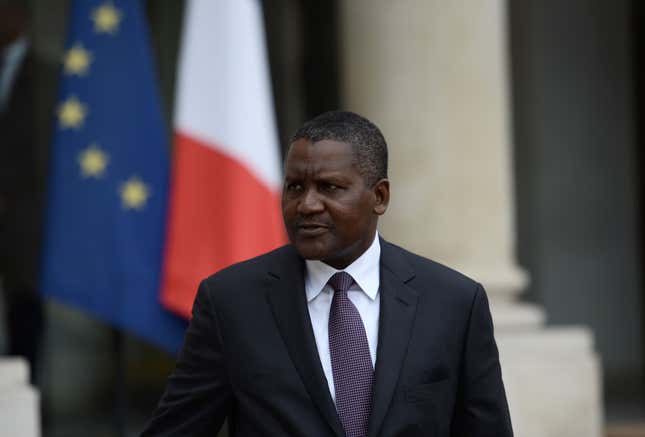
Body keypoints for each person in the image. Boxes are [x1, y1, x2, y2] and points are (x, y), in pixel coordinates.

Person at [142, 111, 513, 436]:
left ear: (379, 197)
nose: (307, 205)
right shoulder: (231, 303)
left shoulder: (454, 303)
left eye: (329, 187)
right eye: (295, 187)